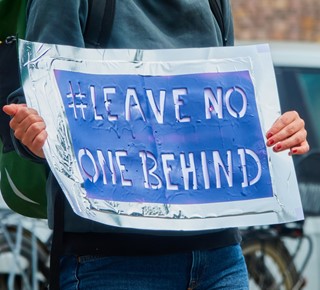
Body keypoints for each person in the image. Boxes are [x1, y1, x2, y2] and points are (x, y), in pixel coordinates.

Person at [3, 1, 309, 289]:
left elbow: (219, 106)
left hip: (221, 259)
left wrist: (281, 132)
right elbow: (38, 95)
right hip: (114, 263)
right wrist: (35, 133)